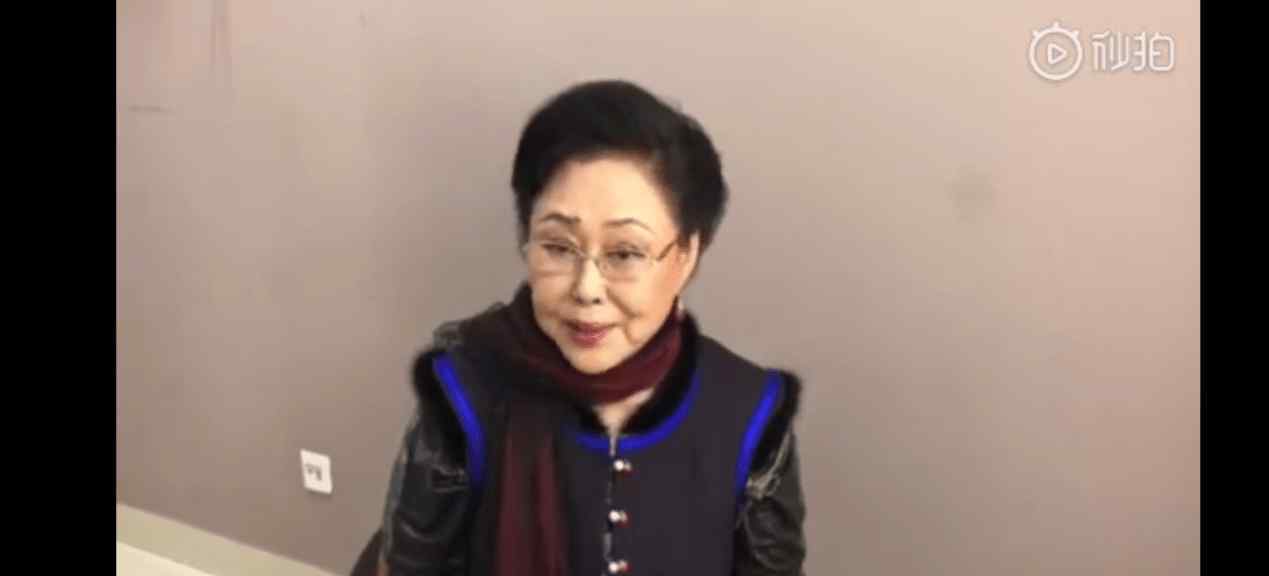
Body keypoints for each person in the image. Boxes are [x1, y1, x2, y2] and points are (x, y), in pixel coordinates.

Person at [377, 79, 807, 576]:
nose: (586, 289)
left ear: (686, 255)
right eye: (558, 247)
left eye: (625, 253)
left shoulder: (751, 411)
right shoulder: (463, 388)